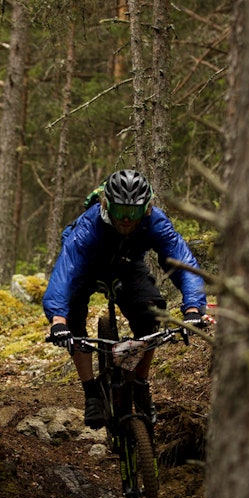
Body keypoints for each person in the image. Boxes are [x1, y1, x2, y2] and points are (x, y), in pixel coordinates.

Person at [43, 169, 207, 428]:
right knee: (73, 315)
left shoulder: (155, 221)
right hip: (87, 267)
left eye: (134, 212)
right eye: (120, 211)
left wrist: (194, 309)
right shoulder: (89, 225)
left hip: (127, 266)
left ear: (147, 207)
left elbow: (183, 263)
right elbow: (66, 271)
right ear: (107, 205)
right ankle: (91, 393)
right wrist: (58, 320)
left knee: (151, 313)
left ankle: (141, 381)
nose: (127, 220)